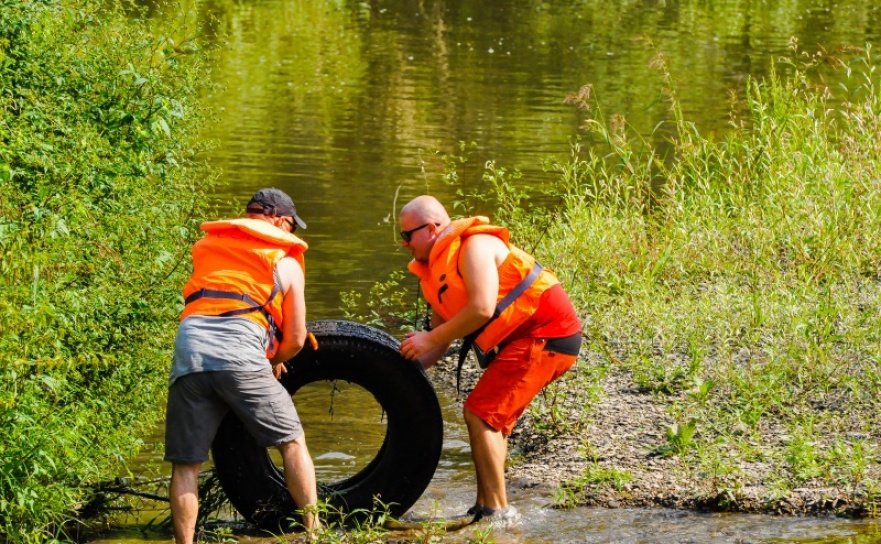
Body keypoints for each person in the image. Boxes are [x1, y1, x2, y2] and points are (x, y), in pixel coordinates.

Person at [398, 195, 582, 524]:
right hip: (523, 340)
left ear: (431, 228)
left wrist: (428, 338)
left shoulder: (474, 246)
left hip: (547, 333)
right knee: (488, 417)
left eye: (406, 235)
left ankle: (498, 515)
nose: (403, 244)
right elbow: (438, 342)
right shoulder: (436, 271)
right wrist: (394, 371)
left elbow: (482, 308)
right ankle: (483, 507)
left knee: (480, 414)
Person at [164, 188, 319, 543]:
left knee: (186, 464)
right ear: (279, 221)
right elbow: (296, 339)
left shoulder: (210, 249)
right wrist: (273, 360)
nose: (292, 233)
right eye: (292, 226)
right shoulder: (285, 261)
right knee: (292, 442)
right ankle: (314, 533)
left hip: (189, 350)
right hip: (241, 353)